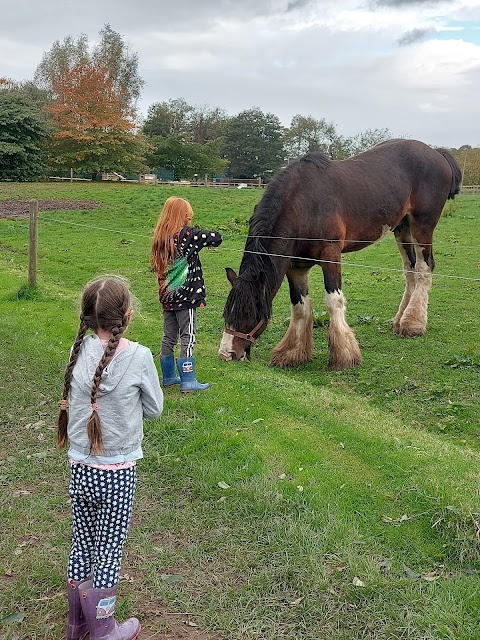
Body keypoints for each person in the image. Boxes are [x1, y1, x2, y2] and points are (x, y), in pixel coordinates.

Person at [57, 275, 163, 640]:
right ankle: (103, 629)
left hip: (79, 468)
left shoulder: (78, 352)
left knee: (82, 540)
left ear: (86, 318)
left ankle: (77, 623)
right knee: (109, 549)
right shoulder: (140, 356)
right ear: (128, 316)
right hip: (118, 474)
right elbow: (154, 409)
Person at [151, 196, 222, 392]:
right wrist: (202, 241)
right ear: (182, 216)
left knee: (168, 337)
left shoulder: (161, 237)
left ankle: (168, 377)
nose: (189, 220)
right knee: (188, 336)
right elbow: (216, 237)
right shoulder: (187, 235)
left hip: (167, 297)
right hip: (187, 297)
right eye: (187, 216)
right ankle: (188, 380)